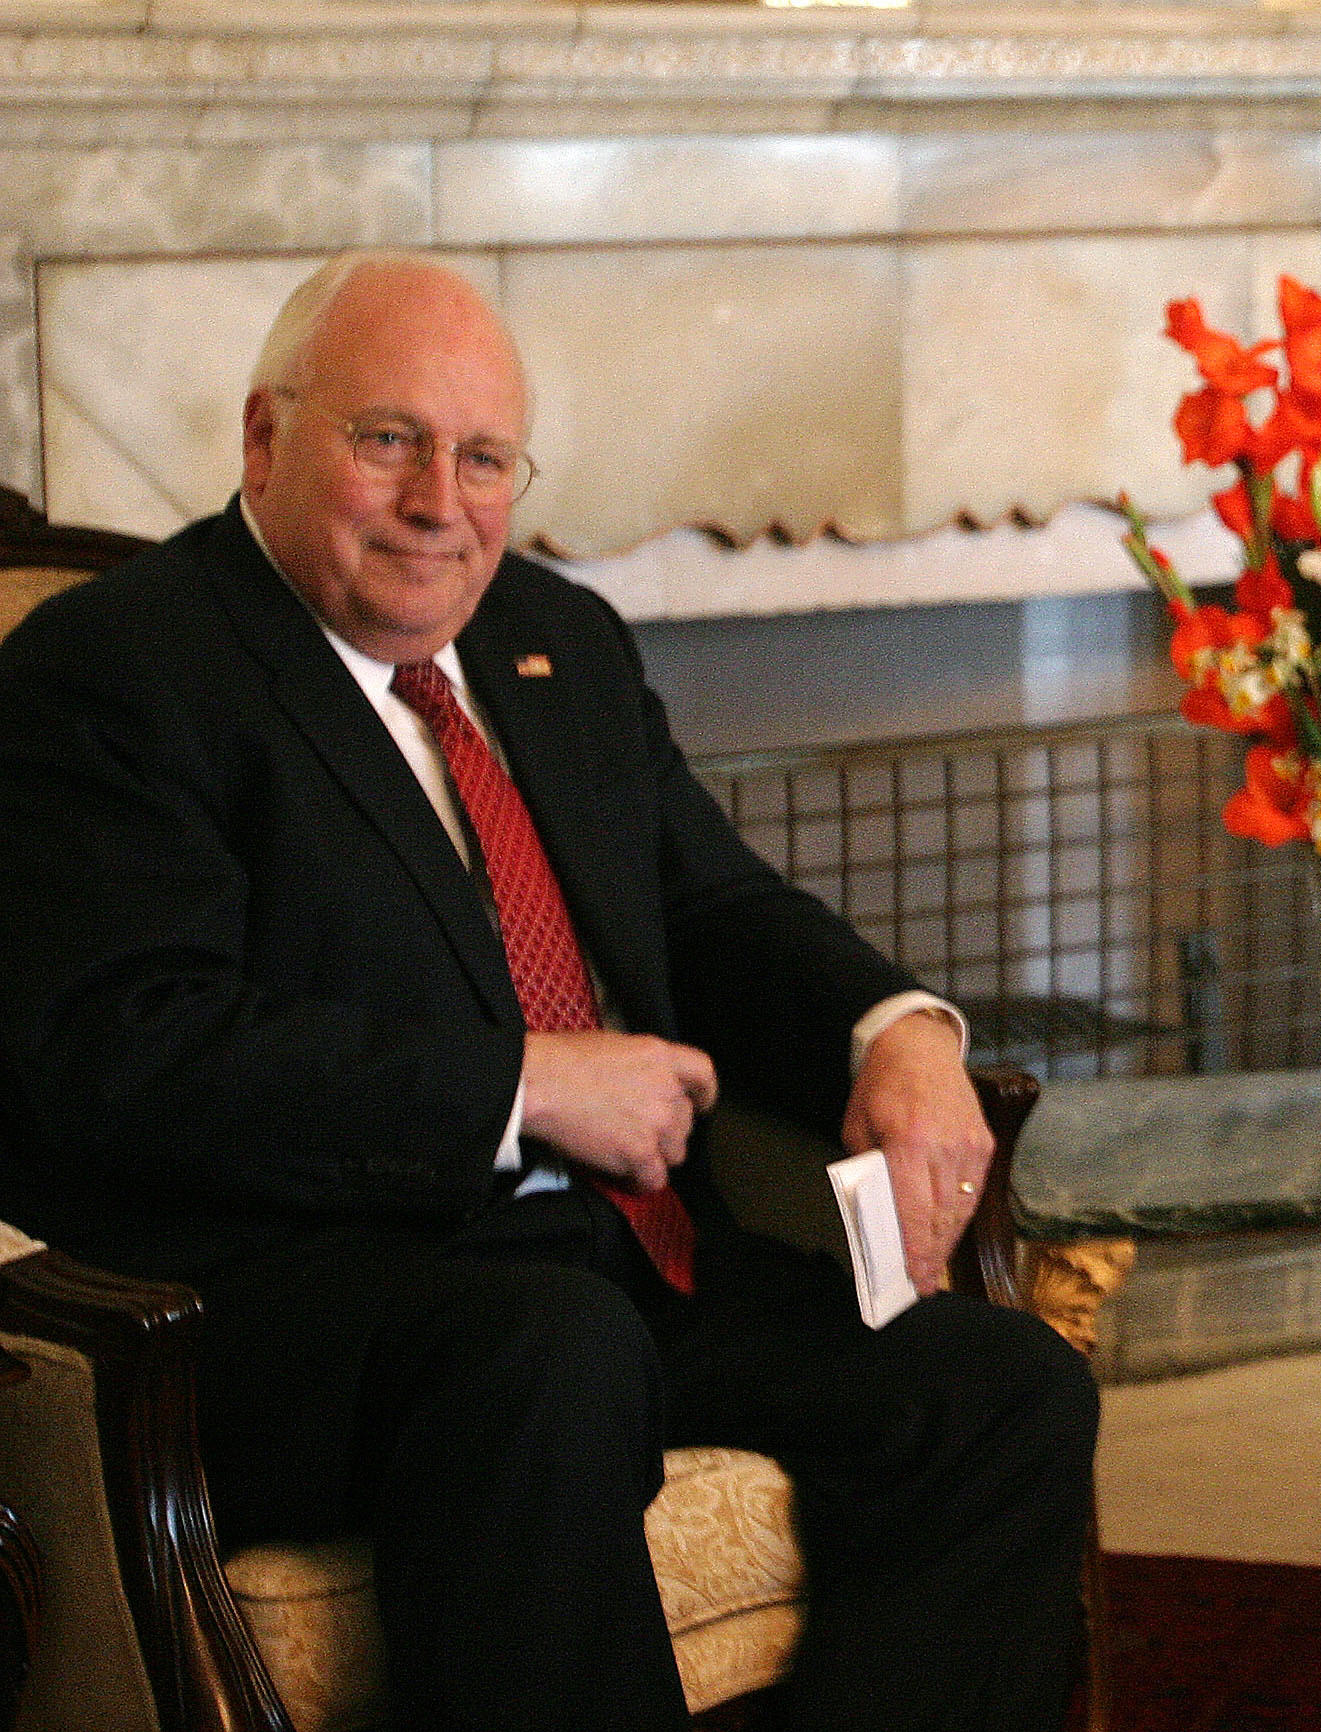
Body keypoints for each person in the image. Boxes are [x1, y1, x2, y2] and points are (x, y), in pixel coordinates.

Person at [0, 253, 1096, 1731]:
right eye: (387, 439)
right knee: (550, 1355)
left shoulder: (556, 641)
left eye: (483, 456)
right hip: (292, 1306)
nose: (438, 499)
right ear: (265, 439)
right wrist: (522, 1089)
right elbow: (128, 1048)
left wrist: (893, 1030)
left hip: (620, 1273)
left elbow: (711, 906)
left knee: (997, 1387)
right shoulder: (119, 669)